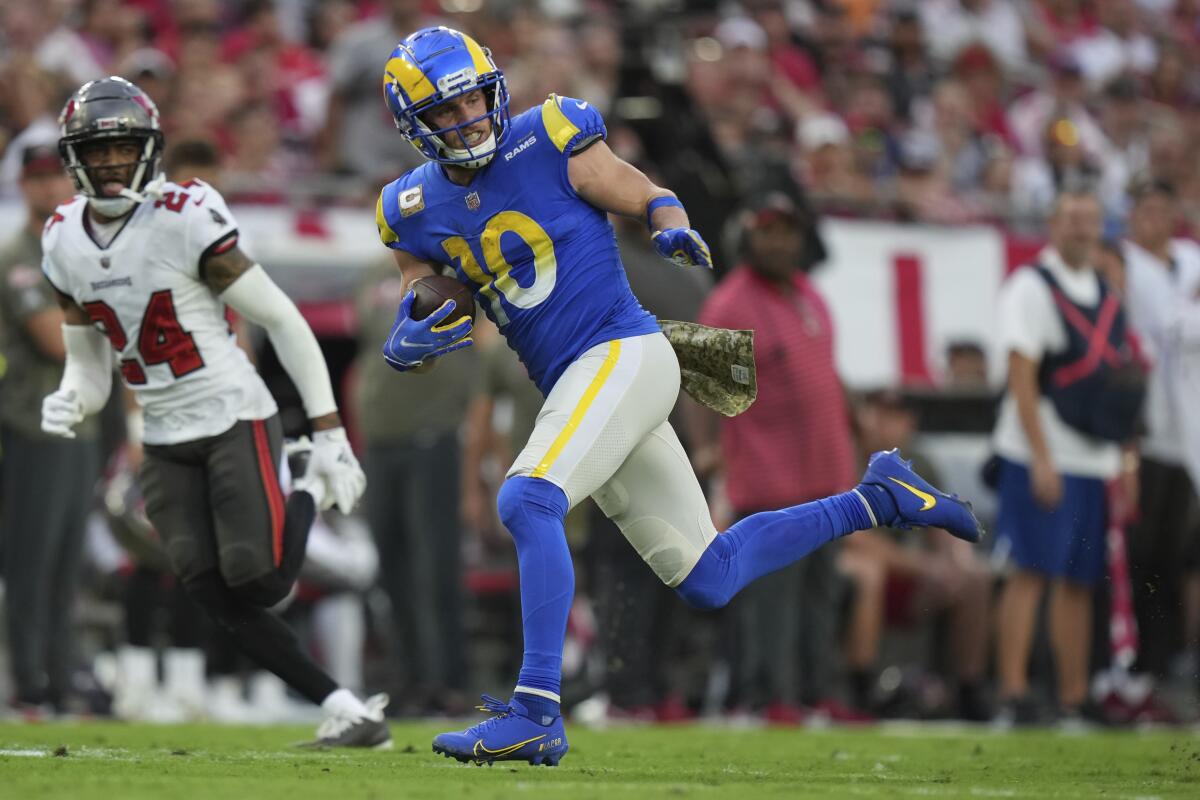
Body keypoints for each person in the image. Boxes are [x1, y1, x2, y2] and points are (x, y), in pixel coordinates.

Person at [374, 27, 982, 766]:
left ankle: (534, 708)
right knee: (707, 577)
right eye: (447, 108)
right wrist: (412, 330)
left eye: (473, 96)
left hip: (622, 349)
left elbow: (644, 191)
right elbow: (431, 300)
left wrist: (669, 221)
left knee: (527, 499)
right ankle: (879, 499)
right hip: (580, 378)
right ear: (414, 124)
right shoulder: (407, 208)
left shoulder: (548, 134)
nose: (468, 115)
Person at [37, 76, 384, 747]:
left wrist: (328, 430)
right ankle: (347, 708)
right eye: (97, 150)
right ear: (74, 156)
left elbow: (284, 320)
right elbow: (90, 364)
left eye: (123, 148)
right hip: (164, 433)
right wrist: (73, 393)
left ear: (150, 148)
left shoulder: (185, 214)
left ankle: (306, 481)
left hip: (232, 413)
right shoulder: (62, 242)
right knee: (207, 590)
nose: (111, 163)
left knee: (258, 579)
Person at [693, 192, 856, 723]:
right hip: (768, 479)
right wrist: (708, 449)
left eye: (788, 231)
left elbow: (826, 374)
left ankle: (815, 692)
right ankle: (770, 697)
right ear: (747, 237)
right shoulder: (730, 302)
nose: (780, 241)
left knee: (819, 594)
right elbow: (700, 383)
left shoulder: (809, 292)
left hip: (826, 477)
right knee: (772, 601)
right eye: (769, 231)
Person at [991, 189, 1143, 727]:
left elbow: (1119, 386)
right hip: (1044, 451)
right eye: (1072, 219)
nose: (1081, 229)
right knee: (1031, 570)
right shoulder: (1031, 287)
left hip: (1094, 456)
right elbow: (1022, 376)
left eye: (1090, 220)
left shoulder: (1107, 292)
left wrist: (1125, 460)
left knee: (1080, 580)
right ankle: (1013, 692)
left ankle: (1073, 695)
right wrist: (1041, 456)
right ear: (1053, 226)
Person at [351, 255, 475, 714]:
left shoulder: (461, 274)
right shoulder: (371, 275)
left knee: (436, 566)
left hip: (433, 433)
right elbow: (366, 353)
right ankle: (406, 680)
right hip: (380, 437)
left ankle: (448, 680)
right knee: (390, 566)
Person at [0, 142, 99, 715]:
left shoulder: (73, 251)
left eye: (53, 177)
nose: (46, 187)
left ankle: (62, 679)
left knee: (67, 566)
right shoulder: (19, 254)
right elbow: (51, 338)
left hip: (80, 427)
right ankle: (29, 682)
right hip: (33, 423)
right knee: (32, 563)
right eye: (35, 178)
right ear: (22, 186)